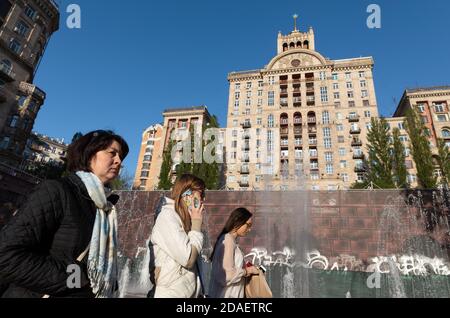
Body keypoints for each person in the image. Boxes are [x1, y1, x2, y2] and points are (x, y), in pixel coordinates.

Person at [0, 130, 129, 298]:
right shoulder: (57, 191)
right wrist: (78, 280)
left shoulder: (105, 209)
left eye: (121, 157)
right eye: (112, 153)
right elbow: (7, 256)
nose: (119, 161)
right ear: (89, 153)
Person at [150, 174, 206, 298]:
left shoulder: (185, 222)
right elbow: (188, 259)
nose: (203, 200)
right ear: (187, 195)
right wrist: (197, 222)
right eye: (201, 195)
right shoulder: (167, 217)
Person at [208, 208, 259, 298]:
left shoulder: (229, 240)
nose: (249, 229)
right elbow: (226, 275)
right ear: (237, 222)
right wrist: (248, 271)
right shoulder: (228, 240)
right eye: (248, 225)